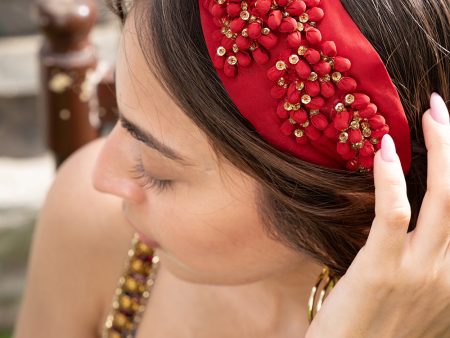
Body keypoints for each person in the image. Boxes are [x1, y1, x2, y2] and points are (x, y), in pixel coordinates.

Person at [13, 0, 450, 337]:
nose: (99, 177)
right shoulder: (88, 223)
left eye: (157, 169)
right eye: (118, 118)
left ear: (331, 199)